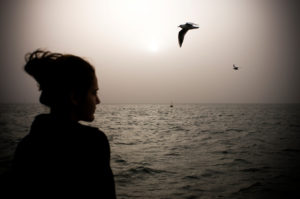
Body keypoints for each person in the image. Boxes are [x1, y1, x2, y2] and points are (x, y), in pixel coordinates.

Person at [11, 49, 116, 198]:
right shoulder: (93, 142)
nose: (98, 101)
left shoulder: (26, 144)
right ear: (74, 97)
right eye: (94, 93)